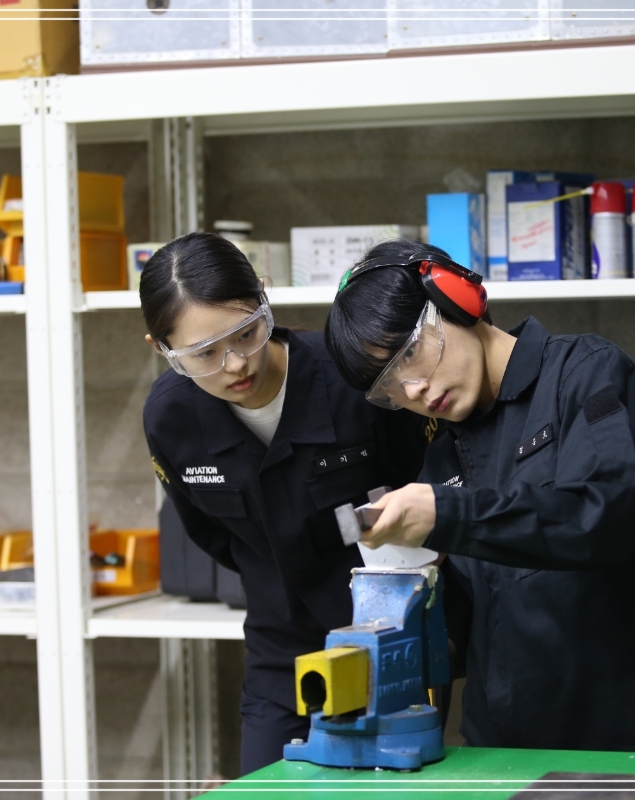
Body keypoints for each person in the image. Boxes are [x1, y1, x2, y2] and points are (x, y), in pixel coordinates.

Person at [324, 239, 635, 754]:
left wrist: (448, 515)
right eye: (389, 385)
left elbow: (602, 519)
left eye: (410, 352)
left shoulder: (591, 375)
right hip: (509, 753)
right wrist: (401, 623)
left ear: (456, 298)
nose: (412, 390)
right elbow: (475, 621)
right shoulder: (443, 459)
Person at [139, 233, 431, 775]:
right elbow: (212, 534)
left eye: (245, 333)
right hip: (282, 649)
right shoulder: (171, 419)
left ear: (264, 297)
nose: (234, 364)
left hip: (390, 634)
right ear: (162, 349)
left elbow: (427, 484)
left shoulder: (352, 378)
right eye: (204, 354)